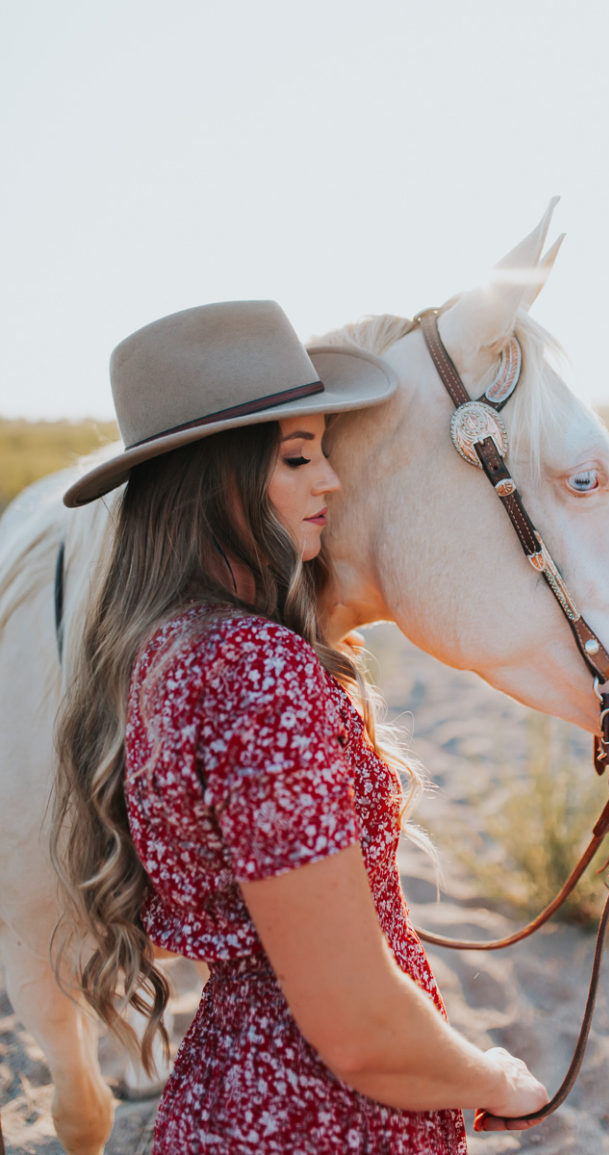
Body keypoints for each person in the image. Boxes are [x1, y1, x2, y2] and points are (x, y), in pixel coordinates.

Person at [52, 301, 548, 1154]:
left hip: (231, 1090)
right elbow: (355, 1022)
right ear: (215, 480)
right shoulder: (257, 671)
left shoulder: (165, 648)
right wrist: (490, 1076)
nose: (330, 480)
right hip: (319, 1117)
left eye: (322, 449)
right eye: (295, 457)